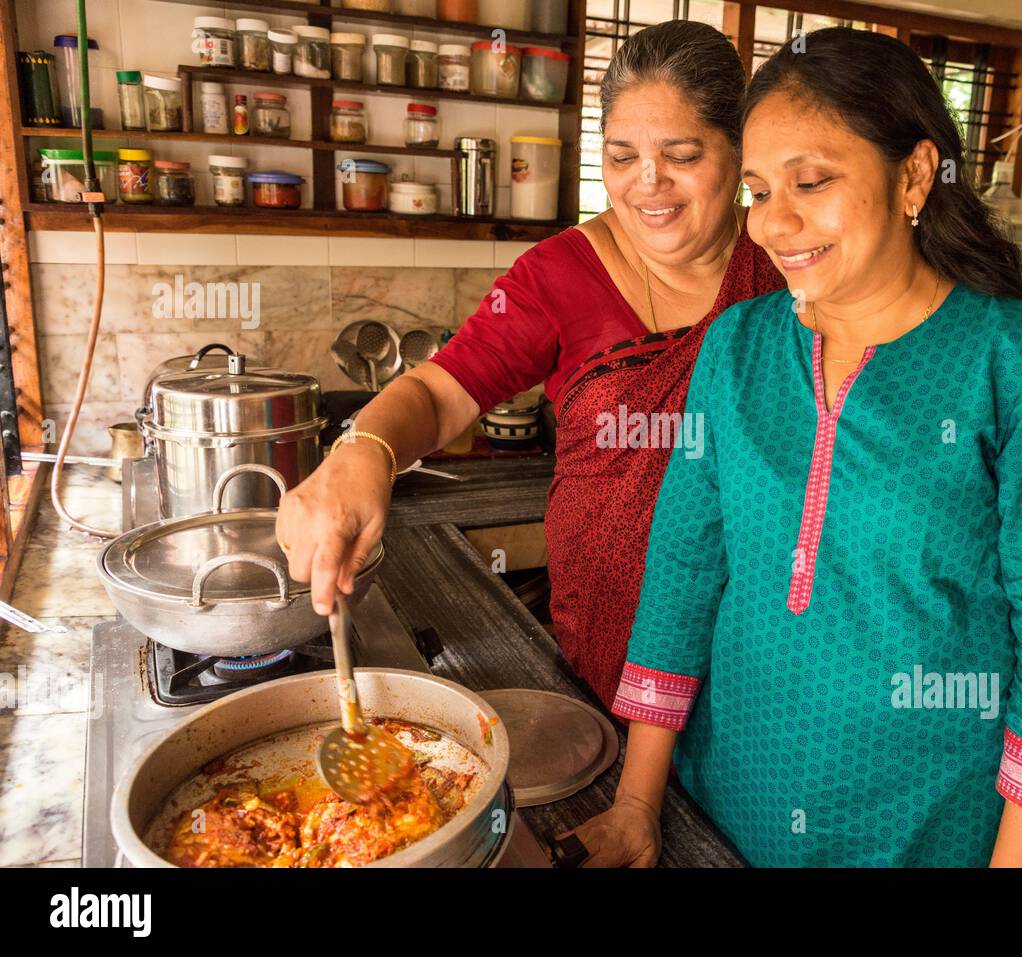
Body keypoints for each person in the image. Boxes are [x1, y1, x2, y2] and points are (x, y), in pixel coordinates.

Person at [566, 27, 1022, 868]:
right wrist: (639, 803)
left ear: (913, 174)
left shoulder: (1021, 365)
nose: (773, 224)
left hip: (927, 829)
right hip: (724, 806)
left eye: (812, 182)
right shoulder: (738, 349)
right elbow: (682, 574)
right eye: (757, 189)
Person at [275, 20, 785, 709]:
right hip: (608, 648)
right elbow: (437, 392)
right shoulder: (557, 277)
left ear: (741, 151)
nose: (647, 183)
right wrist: (362, 451)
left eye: (682, 154)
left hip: (762, 650)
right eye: (621, 156)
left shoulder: (790, 265)